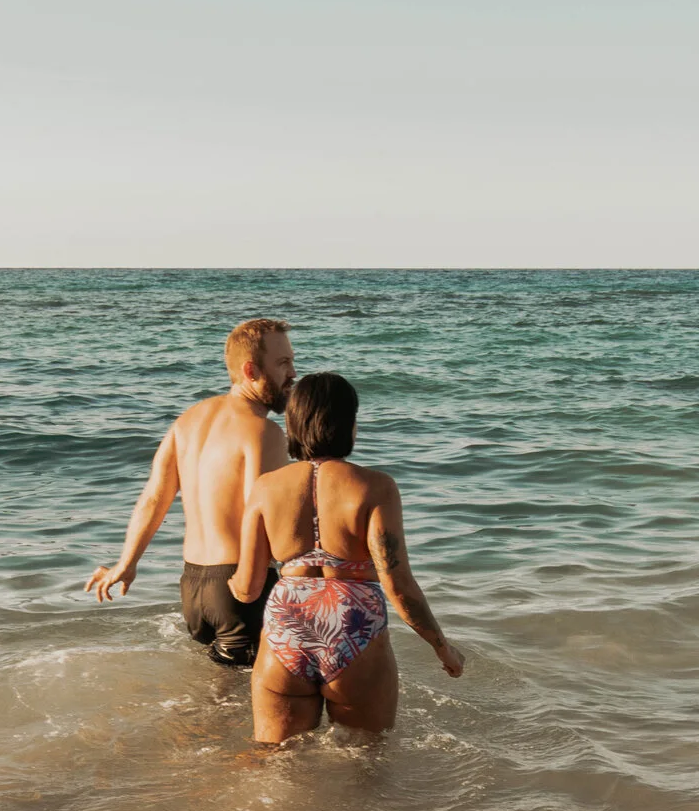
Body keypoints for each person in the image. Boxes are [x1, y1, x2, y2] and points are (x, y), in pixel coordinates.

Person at [229, 373, 464, 743]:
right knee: (365, 764)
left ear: (292, 424)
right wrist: (442, 647)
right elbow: (397, 584)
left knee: (274, 763)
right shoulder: (376, 486)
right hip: (354, 626)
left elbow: (247, 588)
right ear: (349, 424)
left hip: (286, 626)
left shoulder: (265, 487)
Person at [85, 318, 296, 666]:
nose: (293, 373)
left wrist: (127, 563)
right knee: (245, 705)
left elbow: (154, 497)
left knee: (218, 698)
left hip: (193, 586)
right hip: (241, 586)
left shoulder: (187, 421)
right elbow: (259, 521)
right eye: (283, 363)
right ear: (251, 370)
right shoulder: (264, 432)